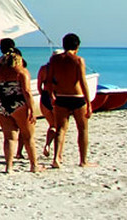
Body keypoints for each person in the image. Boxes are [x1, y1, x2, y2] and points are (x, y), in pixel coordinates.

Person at [47, 33, 93, 168]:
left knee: (61, 129)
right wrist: (89, 102)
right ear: (77, 46)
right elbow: (83, 82)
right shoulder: (78, 60)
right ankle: (83, 161)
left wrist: (51, 95)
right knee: (83, 129)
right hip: (77, 97)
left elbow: (49, 80)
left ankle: (56, 158)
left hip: (61, 96)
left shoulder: (54, 59)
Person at [0, 48, 37, 173]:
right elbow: (27, 92)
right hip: (18, 104)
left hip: (2, 104)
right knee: (28, 136)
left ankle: (9, 167)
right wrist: (32, 109)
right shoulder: (21, 72)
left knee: (9, 137)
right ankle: (34, 165)